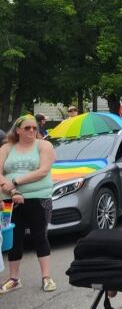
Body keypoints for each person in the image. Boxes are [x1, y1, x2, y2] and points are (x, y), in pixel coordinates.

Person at [0, 114, 57, 293]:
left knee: (40, 236)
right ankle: (14, 278)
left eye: (34, 128)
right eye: (27, 128)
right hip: (10, 199)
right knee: (14, 239)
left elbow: (43, 171)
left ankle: (46, 277)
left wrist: (16, 182)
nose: (32, 131)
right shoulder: (7, 148)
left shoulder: (44, 145)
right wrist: (12, 191)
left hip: (38, 198)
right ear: (17, 130)